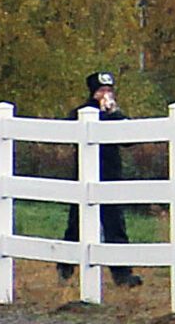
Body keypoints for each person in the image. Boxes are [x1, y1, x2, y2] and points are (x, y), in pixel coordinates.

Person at [58, 70, 140, 288]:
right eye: (101, 90)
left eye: (109, 90)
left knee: (115, 223)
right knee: (77, 223)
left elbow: (129, 139)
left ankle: (122, 273)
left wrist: (114, 113)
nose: (106, 94)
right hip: (84, 175)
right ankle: (65, 266)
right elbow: (68, 132)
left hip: (111, 174)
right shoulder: (81, 112)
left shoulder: (115, 114)